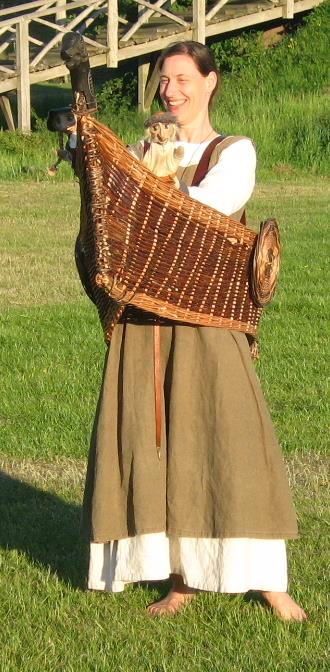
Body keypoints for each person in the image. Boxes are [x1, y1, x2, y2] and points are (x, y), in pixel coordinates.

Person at [83, 41, 307, 621]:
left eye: (183, 78)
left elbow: (204, 214)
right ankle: (182, 578)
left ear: (211, 83)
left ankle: (266, 580)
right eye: (164, 80)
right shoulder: (145, 149)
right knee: (157, 446)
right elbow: (118, 218)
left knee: (230, 441)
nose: (171, 90)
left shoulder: (234, 152)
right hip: (147, 320)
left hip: (210, 318)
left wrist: (153, 174)